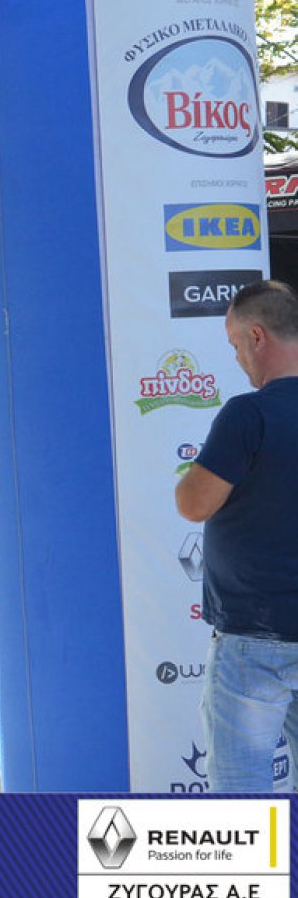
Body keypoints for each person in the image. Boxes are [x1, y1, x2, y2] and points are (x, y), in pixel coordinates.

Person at [175, 279, 298, 792]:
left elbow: (192, 503)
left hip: (254, 637)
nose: (237, 358)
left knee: (241, 801)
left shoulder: (249, 413)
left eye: (234, 344)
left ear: (257, 336)